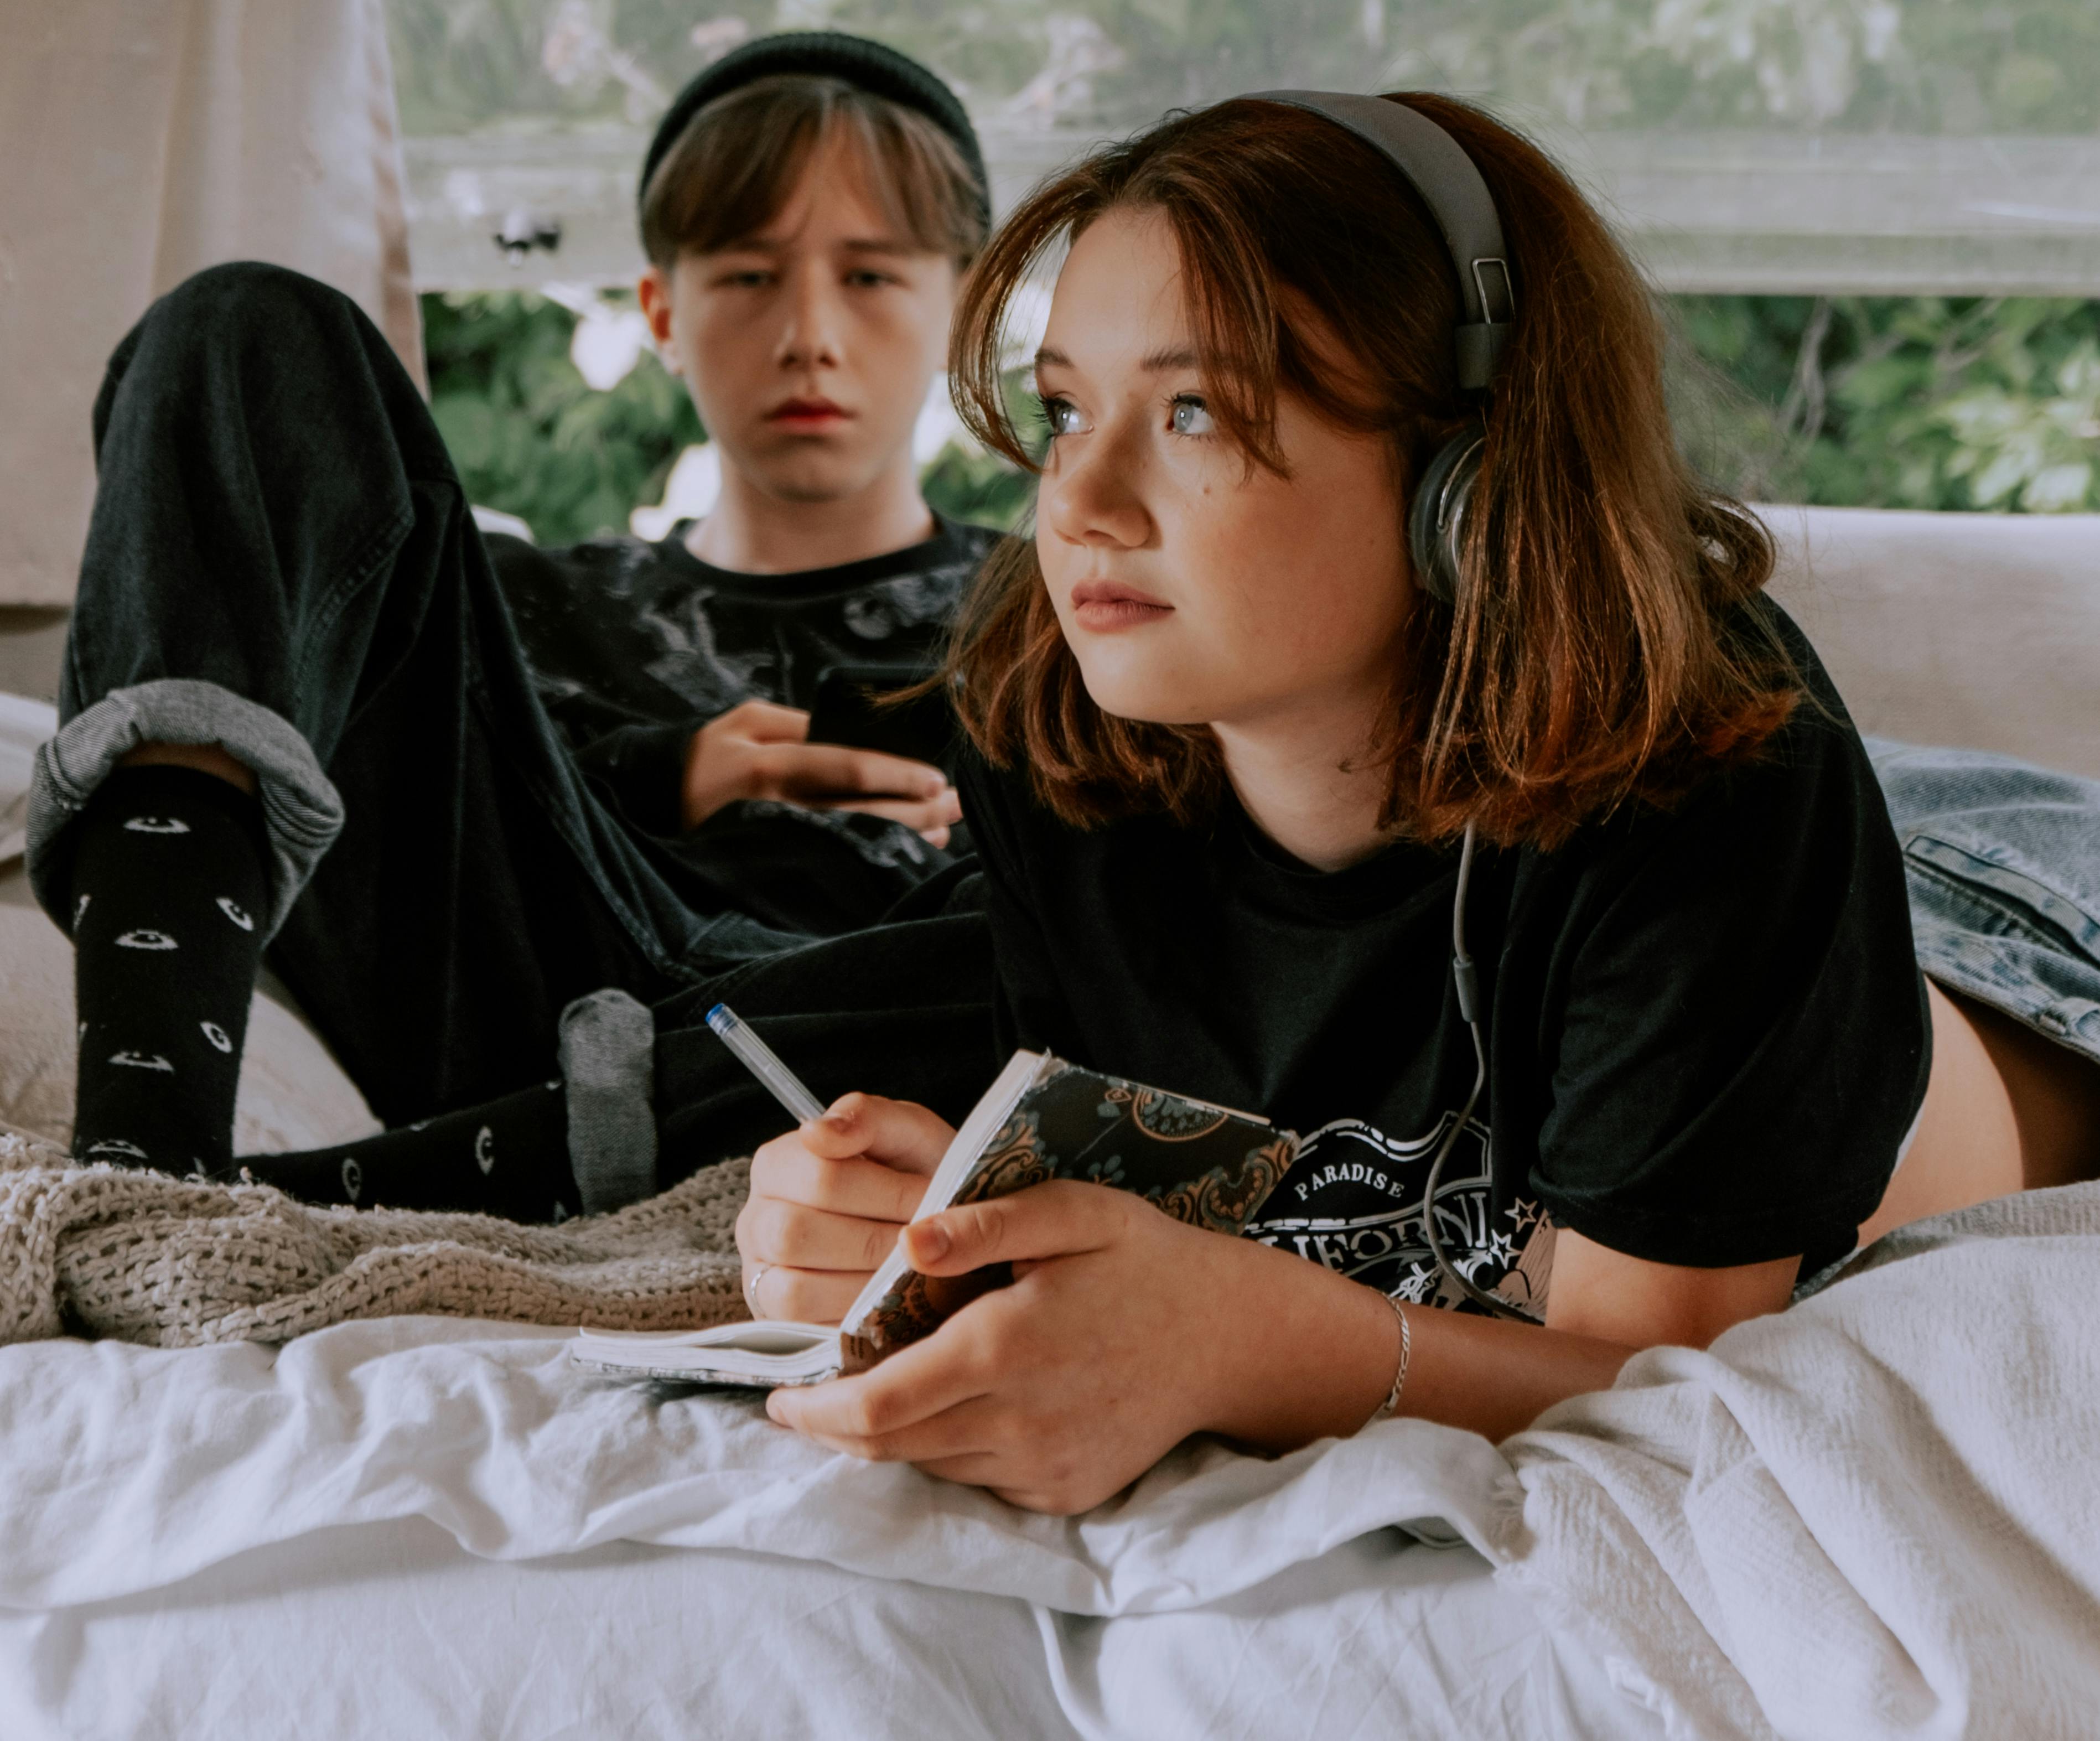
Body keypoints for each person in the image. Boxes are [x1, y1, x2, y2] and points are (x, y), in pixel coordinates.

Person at [734, 90, 2100, 1513]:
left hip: (2012, 936)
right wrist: (901, 1225)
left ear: (1465, 472)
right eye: (1067, 406)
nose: (1079, 498)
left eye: (1193, 408)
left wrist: (1237, 1343)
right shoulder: (1051, 687)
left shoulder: (1714, 769)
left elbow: (1659, 1378)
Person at [25, 32, 1004, 1214]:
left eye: (872, 274)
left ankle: (355, 1184)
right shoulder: (521, 601)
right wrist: (657, 775)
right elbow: (432, 838)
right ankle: (142, 1183)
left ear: (962, 308)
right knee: (240, 329)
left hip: (886, 1044)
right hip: (537, 991)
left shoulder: (1055, 606)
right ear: (658, 308)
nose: (808, 333)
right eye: (746, 274)